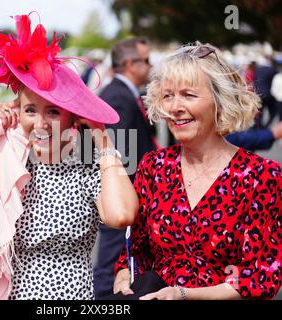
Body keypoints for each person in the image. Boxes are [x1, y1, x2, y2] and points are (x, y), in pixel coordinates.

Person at [0, 14, 138, 300]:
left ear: (73, 119)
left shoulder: (89, 163)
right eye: (31, 110)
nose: (42, 123)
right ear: (17, 111)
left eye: (54, 112)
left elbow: (122, 216)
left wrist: (102, 138)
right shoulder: (3, 160)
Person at [112, 42, 282, 300]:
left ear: (219, 101)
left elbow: (260, 278)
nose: (175, 107)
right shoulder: (153, 167)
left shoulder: (261, 176)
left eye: (188, 95)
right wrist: (124, 275)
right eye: (168, 95)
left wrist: (184, 294)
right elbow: (136, 251)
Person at [93, 37, 157, 299]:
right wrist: (129, 195)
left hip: (126, 192)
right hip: (122, 193)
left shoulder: (124, 93)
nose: (150, 65)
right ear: (130, 63)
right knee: (111, 259)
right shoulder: (118, 96)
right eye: (146, 60)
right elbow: (117, 153)